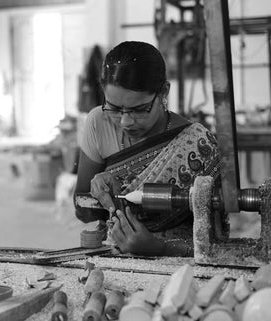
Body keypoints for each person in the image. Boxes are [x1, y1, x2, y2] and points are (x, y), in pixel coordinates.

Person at [74, 41, 221, 257]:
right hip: (113, 255)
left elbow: (217, 245)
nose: (125, 121)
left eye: (139, 109)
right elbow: (82, 211)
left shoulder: (198, 144)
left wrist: (159, 248)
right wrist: (99, 192)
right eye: (114, 107)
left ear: (164, 92)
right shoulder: (99, 121)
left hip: (177, 268)